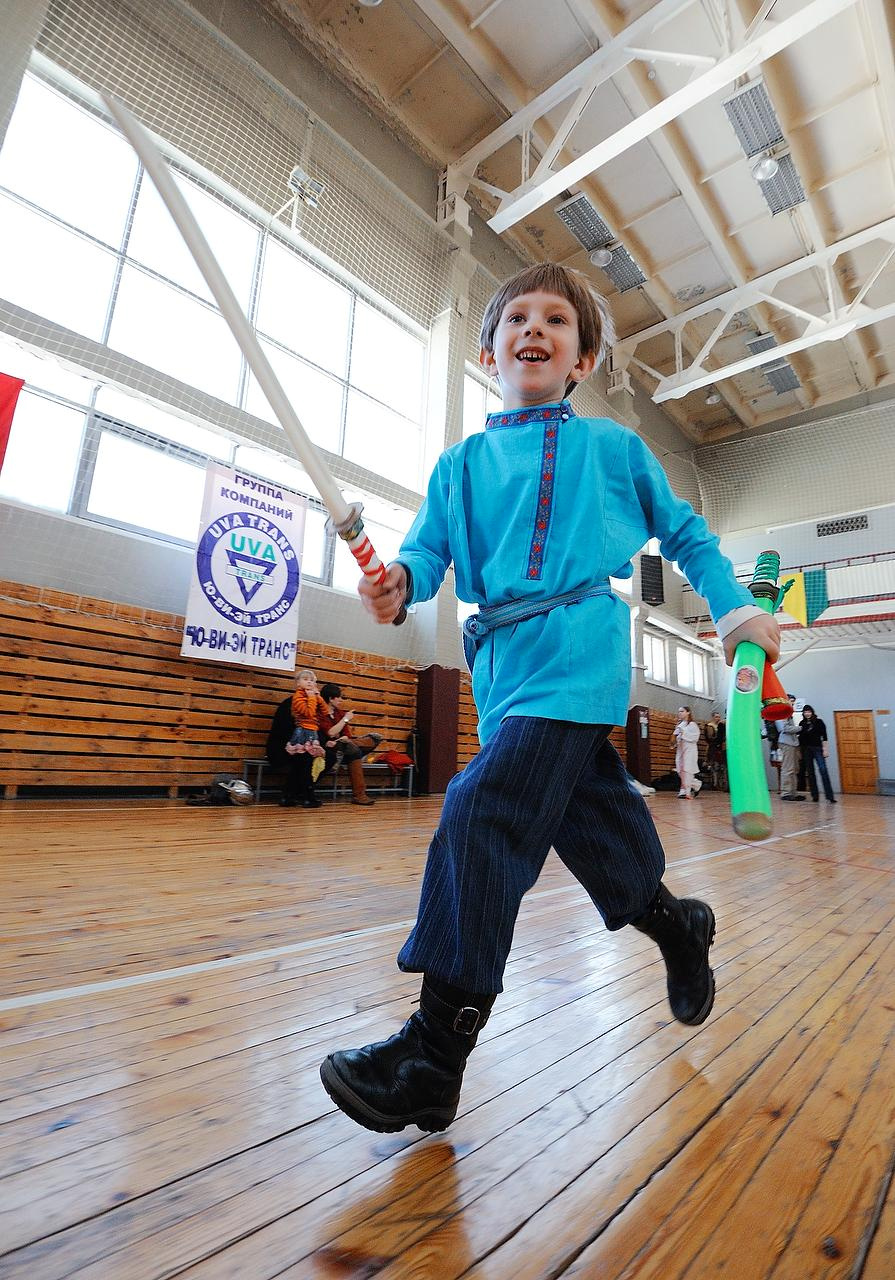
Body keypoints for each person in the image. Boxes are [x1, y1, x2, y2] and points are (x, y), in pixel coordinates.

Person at [319, 261, 780, 1135]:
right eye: (516, 318)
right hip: (500, 667)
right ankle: (676, 923)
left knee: (483, 808)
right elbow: (423, 555)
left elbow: (685, 534)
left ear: (582, 360)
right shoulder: (457, 466)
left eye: (556, 320)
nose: (534, 328)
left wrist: (732, 609)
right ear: (488, 352)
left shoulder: (612, 448)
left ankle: (433, 1056)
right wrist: (397, 587)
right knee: (590, 821)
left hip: (576, 647)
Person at [318, 683, 384, 806]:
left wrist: (343, 738)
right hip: (329, 748)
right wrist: (345, 719)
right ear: (331, 698)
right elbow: (330, 733)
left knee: (362, 744)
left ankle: (360, 796)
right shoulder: (321, 713)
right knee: (355, 750)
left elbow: (346, 735)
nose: (341, 700)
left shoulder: (339, 713)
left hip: (344, 745)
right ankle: (360, 796)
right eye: (339, 697)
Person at [268, 669, 326, 808]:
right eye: (306, 680)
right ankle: (306, 797)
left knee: (302, 763)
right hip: (300, 735)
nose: (309, 682)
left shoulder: (311, 698)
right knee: (305, 762)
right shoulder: (298, 698)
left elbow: (324, 712)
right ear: (298, 683)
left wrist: (318, 697)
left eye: (312, 680)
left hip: (309, 733)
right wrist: (312, 697)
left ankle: (289, 796)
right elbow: (309, 712)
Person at [799, 704, 837, 803]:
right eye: (805, 712)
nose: (807, 714)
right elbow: (801, 739)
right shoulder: (802, 723)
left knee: (823, 770)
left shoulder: (819, 722)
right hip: (806, 750)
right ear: (803, 713)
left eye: (809, 712)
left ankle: (830, 796)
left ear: (812, 712)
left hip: (818, 748)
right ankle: (814, 796)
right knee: (810, 773)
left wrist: (825, 749)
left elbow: (824, 737)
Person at [777, 695, 806, 801]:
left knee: (794, 769)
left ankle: (793, 792)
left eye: (794, 701)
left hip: (793, 743)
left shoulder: (789, 713)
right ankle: (786, 793)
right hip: (786, 743)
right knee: (788, 768)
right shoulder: (782, 712)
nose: (793, 703)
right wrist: (801, 728)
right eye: (791, 701)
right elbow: (784, 728)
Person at [671, 707, 701, 799]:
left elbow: (695, 738)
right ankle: (696, 784)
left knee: (687, 769)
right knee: (679, 769)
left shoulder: (692, 725)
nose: (680, 713)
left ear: (688, 712)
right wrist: (674, 741)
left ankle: (686, 792)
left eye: (682, 711)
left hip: (690, 750)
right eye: (679, 711)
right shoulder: (680, 725)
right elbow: (675, 736)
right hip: (681, 749)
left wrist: (683, 733)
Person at [704, 711, 727, 791]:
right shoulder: (710, 726)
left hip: (719, 747)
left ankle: (719, 783)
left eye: (719, 717)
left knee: (720, 766)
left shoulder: (720, 725)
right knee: (714, 765)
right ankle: (714, 783)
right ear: (713, 717)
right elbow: (710, 738)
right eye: (716, 717)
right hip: (713, 747)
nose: (718, 718)